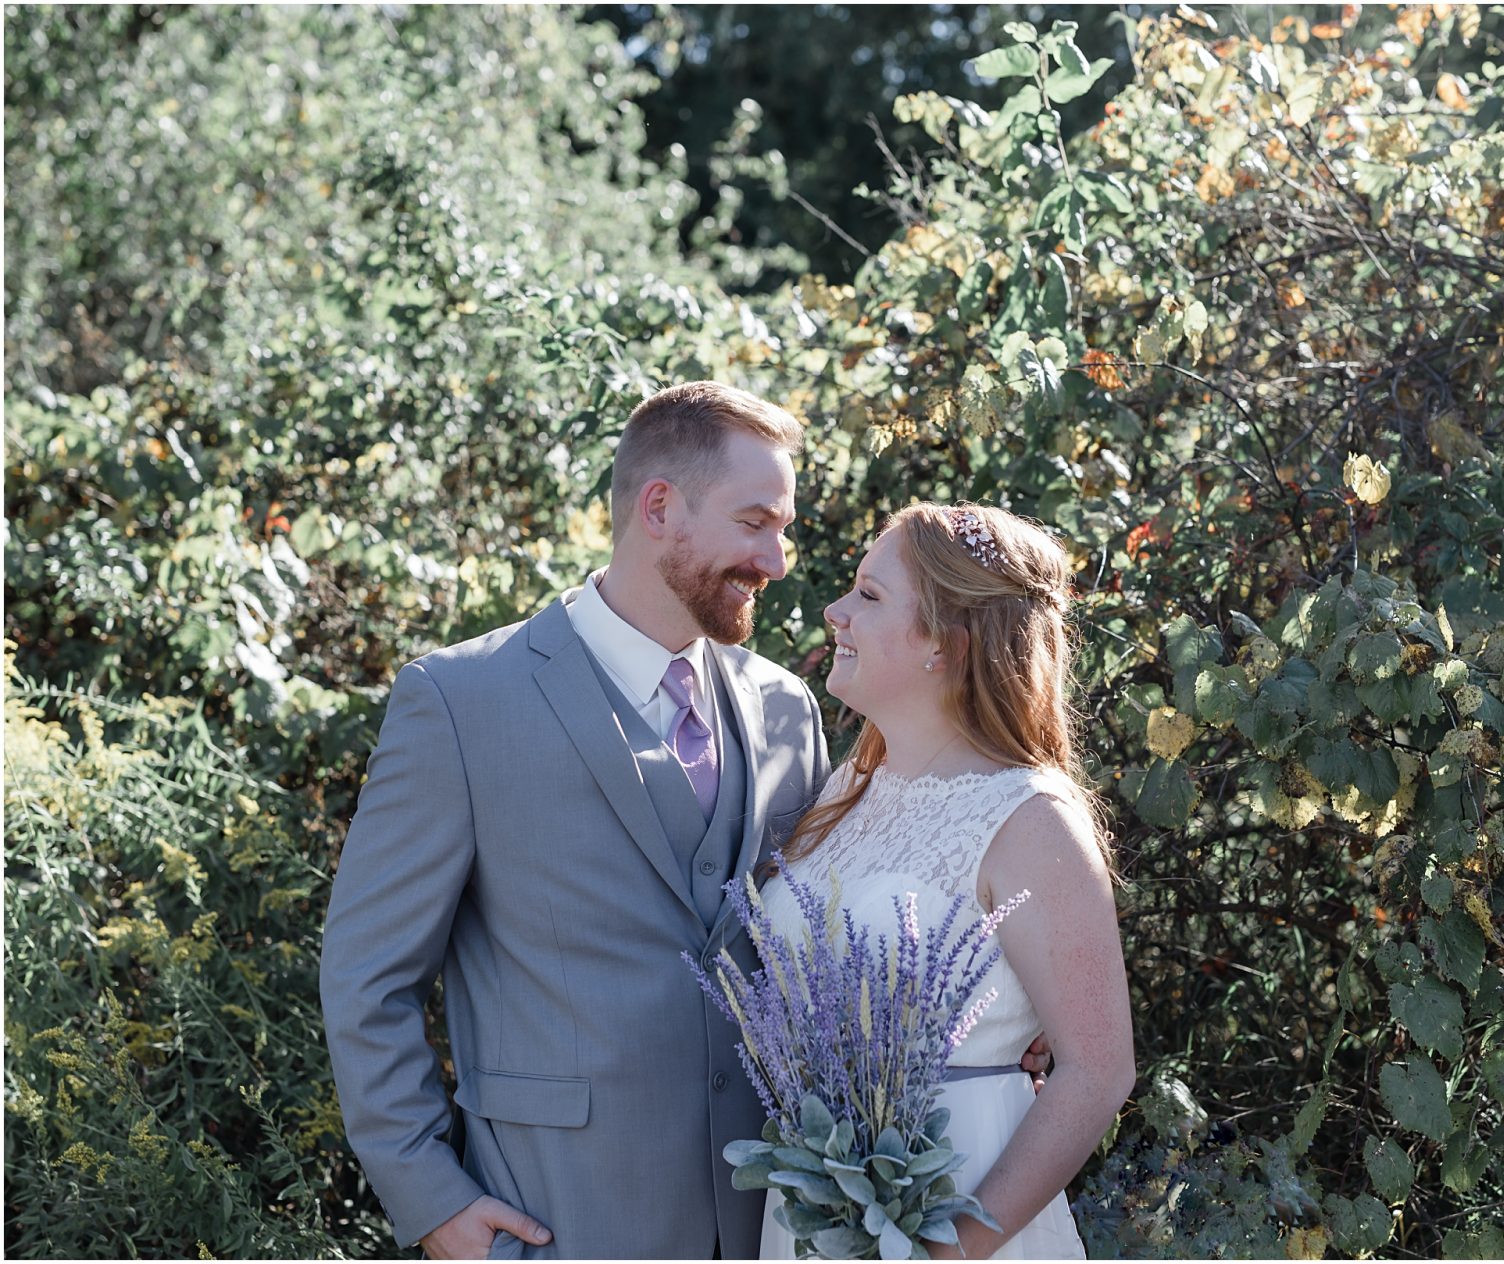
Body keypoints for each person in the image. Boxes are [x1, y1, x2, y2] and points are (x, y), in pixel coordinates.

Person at [320, 381, 833, 1259]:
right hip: (559, 1217)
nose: (777, 561)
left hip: (775, 1218)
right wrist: (431, 1196)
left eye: (782, 528)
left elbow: (831, 935)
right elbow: (369, 975)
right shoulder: (460, 702)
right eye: (756, 523)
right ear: (661, 507)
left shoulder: (785, 708)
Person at [757, 502, 1136, 1260]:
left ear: (945, 644)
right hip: (814, 1201)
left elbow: (1097, 1072)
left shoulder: (1030, 817)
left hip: (956, 1200)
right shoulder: (846, 790)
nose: (835, 612)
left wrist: (952, 1246)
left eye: (868, 595)